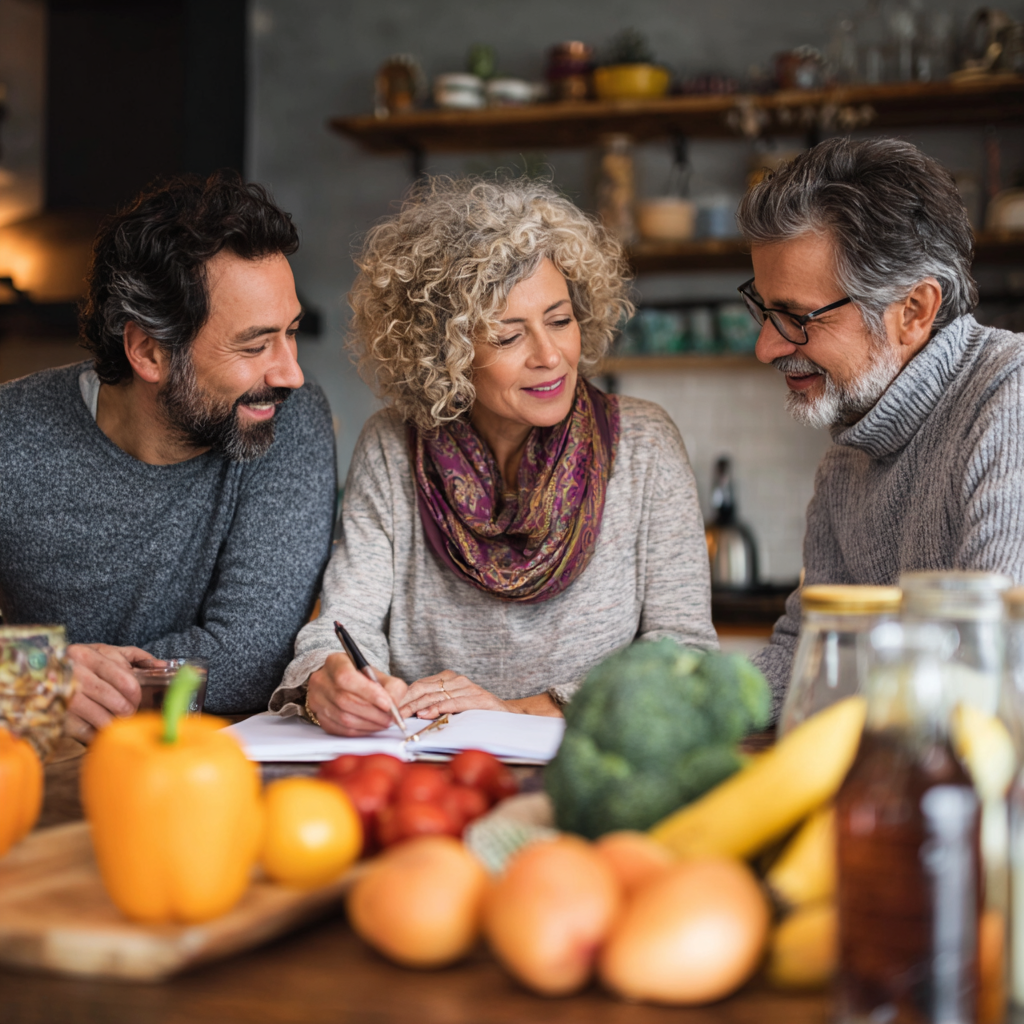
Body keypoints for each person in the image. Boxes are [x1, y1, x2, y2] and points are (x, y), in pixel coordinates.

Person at [270, 176, 716, 735]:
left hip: (593, 768)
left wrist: (521, 712)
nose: (551, 355)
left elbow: (688, 656)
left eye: (560, 320)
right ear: (445, 353)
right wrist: (329, 678)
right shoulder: (391, 444)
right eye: (509, 336)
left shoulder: (646, 444)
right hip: (427, 771)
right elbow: (343, 623)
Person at [0, 171, 337, 740]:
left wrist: (71, 680)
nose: (291, 373)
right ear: (148, 351)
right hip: (39, 767)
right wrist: (38, 679)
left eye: (292, 332)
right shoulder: (11, 435)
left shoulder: (287, 416)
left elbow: (251, 658)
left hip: (206, 768)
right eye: (254, 345)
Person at [738, 137, 1024, 714]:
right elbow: (809, 655)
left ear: (913, 311)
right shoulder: (849, 454)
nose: (766, 346)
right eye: (764, 311)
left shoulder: (1010, 396)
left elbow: (994, 655)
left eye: (795, 317)